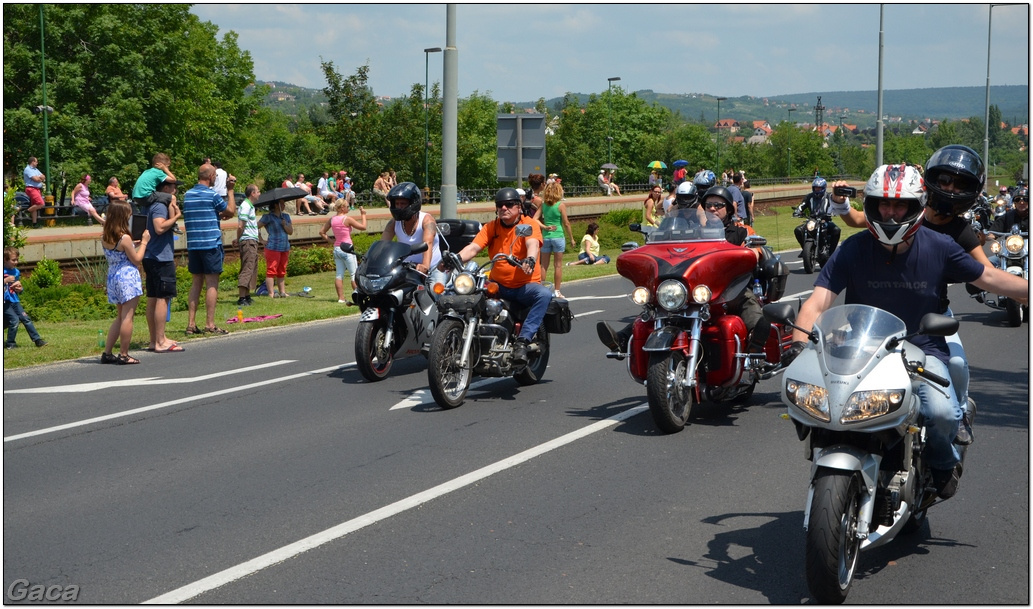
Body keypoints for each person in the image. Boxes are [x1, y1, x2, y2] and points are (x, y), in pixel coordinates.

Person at [786, 163, 1029, 499]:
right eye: (883, 203)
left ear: (916, 206)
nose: (890, 212)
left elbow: (988, 278)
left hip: (922, 349)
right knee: (819, 405)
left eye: (900, 205)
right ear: (872, 205)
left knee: (942, 413)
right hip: (861, 350)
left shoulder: (939, 247)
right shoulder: (854, 248)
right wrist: (800, 343)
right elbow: (818, 302)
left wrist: (1026, 290)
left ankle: (944, 464)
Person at [598, 185, 770, 356]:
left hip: (730, 289)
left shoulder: (742, 231)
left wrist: (746, 253)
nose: (712, 208)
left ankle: (756, 335)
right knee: (656, 307)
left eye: (718, 205)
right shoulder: (694, 232)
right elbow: (674, 251)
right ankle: (622, 339)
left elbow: (755, 254)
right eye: (708, 205)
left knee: (746, 299)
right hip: (696, 289)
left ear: (729, 209)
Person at [447, 187, 550, 366]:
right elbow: (473, 248)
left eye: (509, 205)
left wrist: (531, 259)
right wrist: (454, 258)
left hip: (524, 287)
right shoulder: (491, 227)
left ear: (519, 207)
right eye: (500, 205)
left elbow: (532, 244)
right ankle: (450, 338)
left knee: (544, 295)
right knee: (459, 294)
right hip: (497, 285)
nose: (504, 208)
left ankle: (523, 341)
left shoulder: (528, 225)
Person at [183, 163, 236, 335]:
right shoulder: (212, 195)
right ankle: (210, 324)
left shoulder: (188, 195)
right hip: (210, 244)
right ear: (211, 176)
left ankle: (191, 323)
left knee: (196, 282)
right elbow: (230, 211)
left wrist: (215, 214)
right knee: (212, 283)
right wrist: (230, 190)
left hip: (193, 245)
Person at [100, 199, 150, 364]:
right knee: (128, 316)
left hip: (113, 275)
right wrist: (143, 242)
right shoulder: (125, 238)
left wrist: (132, 245)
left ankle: (107, 352)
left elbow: (120, 250)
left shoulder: (105, 236)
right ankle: (124, 354)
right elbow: (136, 259)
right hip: (127, 277)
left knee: (120, 316)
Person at [380, 182, 447, 291]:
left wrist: (425, 265)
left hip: (434, 268)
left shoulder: (427, 220)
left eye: (403, 203)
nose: (399, 207)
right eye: (397, 204)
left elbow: (427, 243)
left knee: (436, 294)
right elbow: (382, 245)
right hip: (406, 269)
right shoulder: (394, 223)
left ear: (413, 203)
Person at [142, 177, 184, 353]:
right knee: (162, 298)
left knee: (153, 297)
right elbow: (159, 227)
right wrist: (176, 216)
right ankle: (160, 341)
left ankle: (155, 340)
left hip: (151, 256)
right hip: (160, 258)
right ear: (165, 188)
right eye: (174, 188)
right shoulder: (159, 206)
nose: (175, 191)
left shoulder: (153, 205)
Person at [320, 197, 368, 304]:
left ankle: (341, 298)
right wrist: (363, 214)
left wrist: (332, 241)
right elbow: (363, 227)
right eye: (347, 206)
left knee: (339, 274)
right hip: (347, 249)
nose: (348, 208)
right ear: (342, 208)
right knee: (353, 274)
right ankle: (358, 297)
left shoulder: (332, 219)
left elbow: (322, 232)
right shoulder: (347, 219)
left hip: (337, 249)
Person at [532, 181, 576, 298]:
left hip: (546, 236)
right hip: (558, 236)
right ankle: (557, 290)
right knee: (558, 265)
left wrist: (545, 227)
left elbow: (534, 219)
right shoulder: (560, 205)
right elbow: (566, 223)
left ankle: (541, 288)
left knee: (544, 265)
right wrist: (571, 238)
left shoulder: (543, 204)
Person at [3, 247, 46, 348]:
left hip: (14, 300)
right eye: (13, 260)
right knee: (14, 320)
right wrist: (5, 281)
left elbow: (18, 287)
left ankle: (37, 340)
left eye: (17, 259)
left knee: (26, 318)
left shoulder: (16, 272)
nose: (16, 262)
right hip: (5, 302)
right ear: (5, 259)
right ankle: (10, 343)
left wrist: (20, 288)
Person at [792, 177, 842, 254]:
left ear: (823, 188)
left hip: (825, 220)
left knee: (836, 230)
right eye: (815, 188)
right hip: (812, 220)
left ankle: (831, 251)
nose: (817, 190)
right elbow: (802, 205)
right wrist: (797, 211)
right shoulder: (809, 197)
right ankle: (805, 250)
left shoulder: (829, 197)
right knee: (798, 230)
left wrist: (834, 212)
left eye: (819, 188)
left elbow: (834, 206)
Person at [232, 184, 261, 307]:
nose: (259, 193)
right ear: (252, 193)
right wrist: (238, 239)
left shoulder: (250, 206)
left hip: (252, 240)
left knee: (252, 267)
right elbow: (240, 226)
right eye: (258, 191)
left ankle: (247, 295)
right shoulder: (245, 206)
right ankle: (241, 297)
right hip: (248, 240)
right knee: (247, 268)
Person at [258, 199, 294, 299]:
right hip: (273, 247)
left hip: (284, 247)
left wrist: (285, 225)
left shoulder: (286, 217)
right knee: (271, 270)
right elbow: (255, 226)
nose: (284, 205)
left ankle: (282, 291)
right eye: (281, 203)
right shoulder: (268, 217)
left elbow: (290, 231)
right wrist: (261, 239)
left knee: (281, 270)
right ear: (275, 205)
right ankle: (271, 293)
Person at [22, 157, 46, 227]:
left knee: (34, 205)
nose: (37, 163)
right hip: (31, 189)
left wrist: (40, 178)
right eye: (36, 162)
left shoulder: (35, 169)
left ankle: (34, 224)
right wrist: (39, 178)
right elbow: (36, 179)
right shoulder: (28, 169)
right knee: (41, 203)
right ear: (32, 162)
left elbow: (43, 176)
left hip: (37, 189)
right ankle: (26, 212)